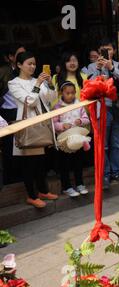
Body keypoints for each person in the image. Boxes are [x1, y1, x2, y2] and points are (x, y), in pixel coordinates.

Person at [8, 51, 59, 208]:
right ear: (19, 65)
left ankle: (43, 191)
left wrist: (49, 83)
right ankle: (31, 195)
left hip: (42, 125)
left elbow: (51, 98)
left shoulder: (39, 80)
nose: (32, 66)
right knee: (29, 163)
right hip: (28, 126)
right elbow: (29, 101)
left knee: (40, 161)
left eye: (34, 64)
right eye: (29, 64)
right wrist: (37, 84)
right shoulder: (14, 83)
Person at [87, 39, 119, 189]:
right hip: (101, 108)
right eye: (103, 50)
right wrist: (99, 69)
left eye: (109, 49)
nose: (106, 52)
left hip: (118, 109)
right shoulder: (92, 66)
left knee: (117, 144)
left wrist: (112, 68)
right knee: (103, 144)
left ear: (114, 51)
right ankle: (105, 175)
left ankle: (116, 173)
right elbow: (89, 86)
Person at [53, 81, 90, 197]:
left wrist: (81, 121)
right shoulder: (57, 107)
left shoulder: (79, 105)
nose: (70, 95)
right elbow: (53, 124)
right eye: (67, 93)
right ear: (61, 93)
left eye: (73, 93)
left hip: (77, 139)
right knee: (65, 164)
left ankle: (80, 184)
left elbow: (86, 119)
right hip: (64, 140)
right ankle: (67, 187)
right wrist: (62, 126)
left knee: (78, 163)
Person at [0, 44, 26, 185]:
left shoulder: (27, 69)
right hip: (7, 113)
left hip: (22, 111)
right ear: (10, 57)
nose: (24, 56)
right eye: (20, 54)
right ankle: (10, 178)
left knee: (23, 144)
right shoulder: (3, 71)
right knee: (9, 146)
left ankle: (22, 175)